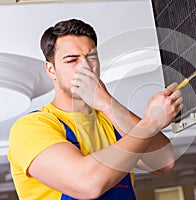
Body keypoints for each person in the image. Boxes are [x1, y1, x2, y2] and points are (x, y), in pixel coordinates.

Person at [8, 19, 183, 199]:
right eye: (72, 60)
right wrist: (150, 123)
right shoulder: (31, 128)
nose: (85, 67)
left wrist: (107, 103)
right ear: (51, 70)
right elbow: (87, 184)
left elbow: (164, 162)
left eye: (91, 57)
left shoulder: (111, 118)